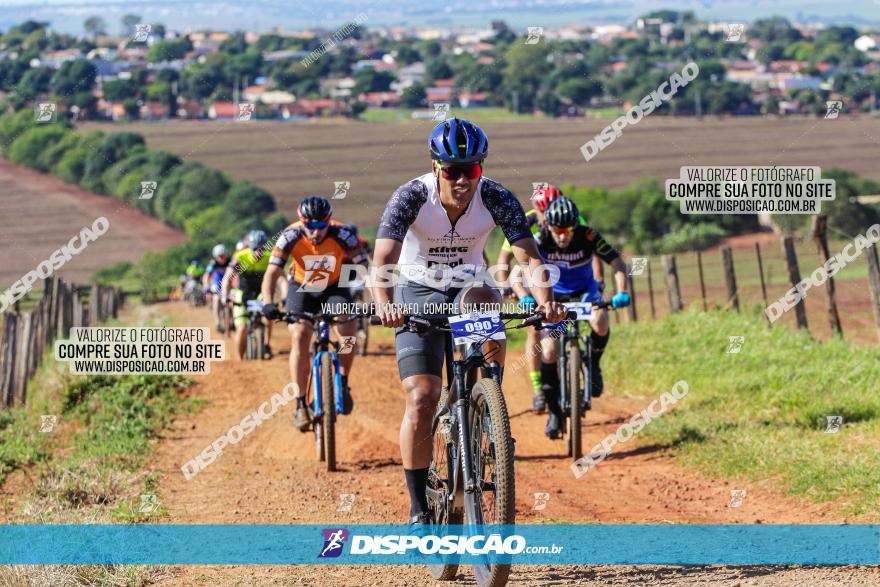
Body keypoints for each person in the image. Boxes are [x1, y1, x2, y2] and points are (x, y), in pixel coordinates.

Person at [369, 117, 567, 528]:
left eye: (472, 170)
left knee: (486, 305)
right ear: (436, 167)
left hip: (468, 285)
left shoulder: (495, 196)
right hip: (417, 288)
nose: (462, 180)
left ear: (483, 166)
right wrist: (385, 303)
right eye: (453, 171)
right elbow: (383, 261)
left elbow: (530, 258)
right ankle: (418, 507)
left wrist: (546, 304)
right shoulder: (410, 196)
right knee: (422, 397)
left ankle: (486, 402)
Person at [514, 196, 629, 438]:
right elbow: (517, 273)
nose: (563, 235)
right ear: (549, 226)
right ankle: (555, 411)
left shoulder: (588, 236)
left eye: (568, 230)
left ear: (575, 226)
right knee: (549, 350)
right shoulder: (540, 239)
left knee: (600, 320)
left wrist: (622, 292)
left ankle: (594, 365)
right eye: (558, 230)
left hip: (585, 292)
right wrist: (525, 296)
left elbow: (617, 261)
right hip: (554, 299)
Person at [260, 196, 367, 431]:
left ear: (329, 221)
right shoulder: (290, 235)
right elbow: (272, 272)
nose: (315, 232)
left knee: (348, 332)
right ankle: (300, 404)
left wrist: (374, 295)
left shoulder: (343, 234)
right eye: (310, 226)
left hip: (334, 287)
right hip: (302, 287)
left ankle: (344, 380)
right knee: (299, 335)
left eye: (321, 226)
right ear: (301, 221)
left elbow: (364, 265)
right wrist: (268, 303)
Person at [495, 183, 603, 413]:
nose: (547, 218)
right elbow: (506, 258)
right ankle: (539, 389)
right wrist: (506, 287)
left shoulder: (571, 217)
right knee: (535, 330)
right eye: (543, 212)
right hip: (530, 277)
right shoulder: (527, 220)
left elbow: (589, 250)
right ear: (537, 209)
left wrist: (597, 280)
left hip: (562, 278)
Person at [222, 230, 273, 360]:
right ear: (249, 247)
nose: (258, 252)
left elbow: (280, 277)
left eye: (262, 248)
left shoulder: (270, 256)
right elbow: (228, 278)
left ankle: (266, 344)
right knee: (242, 328)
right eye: (255, 249)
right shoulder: (240, 257)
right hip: (243, 293)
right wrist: (225, 295)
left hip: (261, 293)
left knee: (268, 316)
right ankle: (241, 359)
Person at [204, 244, 231, 332]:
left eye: (223, 255)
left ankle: (233, 321)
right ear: (215, 257)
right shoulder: (213, 264)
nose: (222, 258)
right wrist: (206, 287)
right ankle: (218, 322)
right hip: (217, 283)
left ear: (226, 254)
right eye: (219, 256)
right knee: (216, 299)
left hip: (229, 283)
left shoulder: (231, 262)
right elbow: (206, 276)